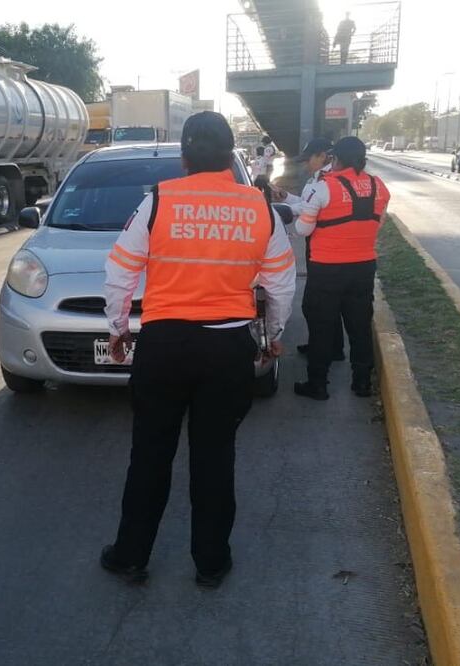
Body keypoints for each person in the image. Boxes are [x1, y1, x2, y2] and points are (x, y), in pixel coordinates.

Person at [101, 111, 297, 588]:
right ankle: (211, 562)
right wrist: (271, 337)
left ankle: (131, 555)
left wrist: (118, 327)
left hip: (164, 345)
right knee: (215, 457)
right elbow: (281, 284)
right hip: (227, 348)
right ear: (232, 156)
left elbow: (121, 269)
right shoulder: (258, 208)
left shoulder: (159, 200)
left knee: (150, 454)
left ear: (184, 157)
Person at [290, 136, 390, 400]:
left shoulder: (325, 188)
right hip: (363, 266)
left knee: (322, 327)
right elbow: (376, 225)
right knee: (359, 327)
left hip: (326, 270)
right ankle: (362, 383)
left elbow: (302, 229)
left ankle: (318, 384)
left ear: (337, 159)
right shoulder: (379, 186)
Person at [269, 138, 345, 361]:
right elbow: (306, 201)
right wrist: (286, 198)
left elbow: (307, 208)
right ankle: (331, 348)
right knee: (327, 305)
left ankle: (323, 350)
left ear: (321, 156)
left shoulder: (326, 179)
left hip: (324, 249)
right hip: (323, 247)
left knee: (315, 305)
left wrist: (281, 210)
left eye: (309, 159)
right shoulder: (318, 177)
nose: (306, 164)